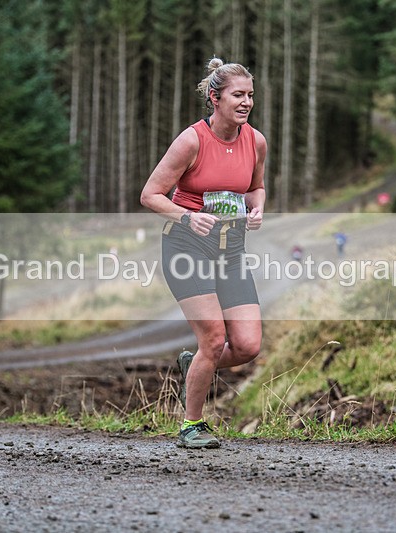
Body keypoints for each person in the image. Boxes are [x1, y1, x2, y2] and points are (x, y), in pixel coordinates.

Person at [140, 57, 267, 449]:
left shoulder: (256, 141)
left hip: (230, 252)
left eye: (250, 95)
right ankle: (191, 426)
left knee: (247, 346)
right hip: (187, 248)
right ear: (215, 98)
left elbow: (255, 187)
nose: (245, 102)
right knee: (213, 340)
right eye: (237, 95)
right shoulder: (191, 140)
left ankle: (192, 364)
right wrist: (186, 217)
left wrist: (258, 207)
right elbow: (149, 195)